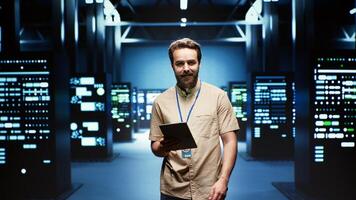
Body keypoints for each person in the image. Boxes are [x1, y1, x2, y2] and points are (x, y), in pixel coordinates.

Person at [149, 38, 239, 200]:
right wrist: (162, 146)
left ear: (199, 64)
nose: (186, 68)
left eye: (191, 62)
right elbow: (155, 147)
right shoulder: (160, 102)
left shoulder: (218, 97)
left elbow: (230, 141)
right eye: (180, 64)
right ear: (172, 66)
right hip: (173, 189)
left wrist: (224, 180)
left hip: (210, 188)